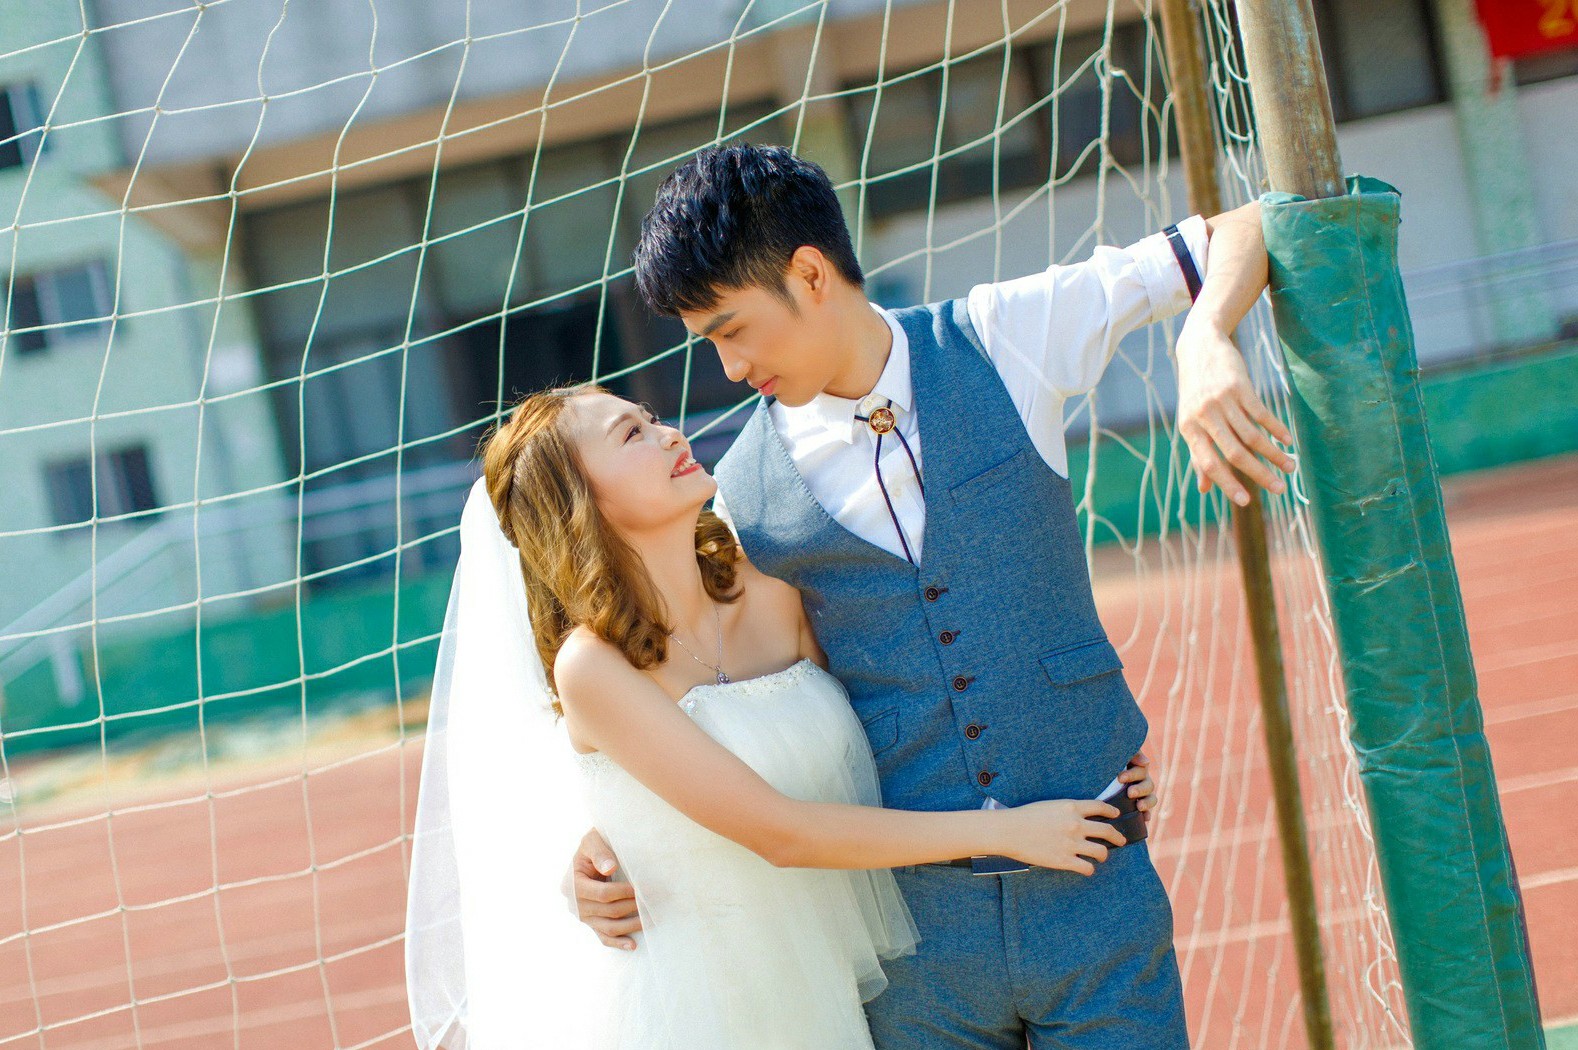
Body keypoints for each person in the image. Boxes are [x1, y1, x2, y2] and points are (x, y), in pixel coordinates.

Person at [566, 143, 1296, 1048]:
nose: (728, 367)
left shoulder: (1002, 335)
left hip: (1095, 887)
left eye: (731, 329)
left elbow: (1247, 226)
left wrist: (1205, 336)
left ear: (810, 274)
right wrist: (608, 839)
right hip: (910, 949)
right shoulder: (742, 494)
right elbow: (684, 676)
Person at [403, 383, 1161, 1050]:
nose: (669, 433)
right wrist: (1007, 832)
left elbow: (915, 694)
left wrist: (1077, 749)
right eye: (631, 434)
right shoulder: (593, 668)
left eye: (652, 417)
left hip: (839, 982)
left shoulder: (772, 590)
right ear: (579, 502)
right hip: (700, 1006)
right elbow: (780, 832)